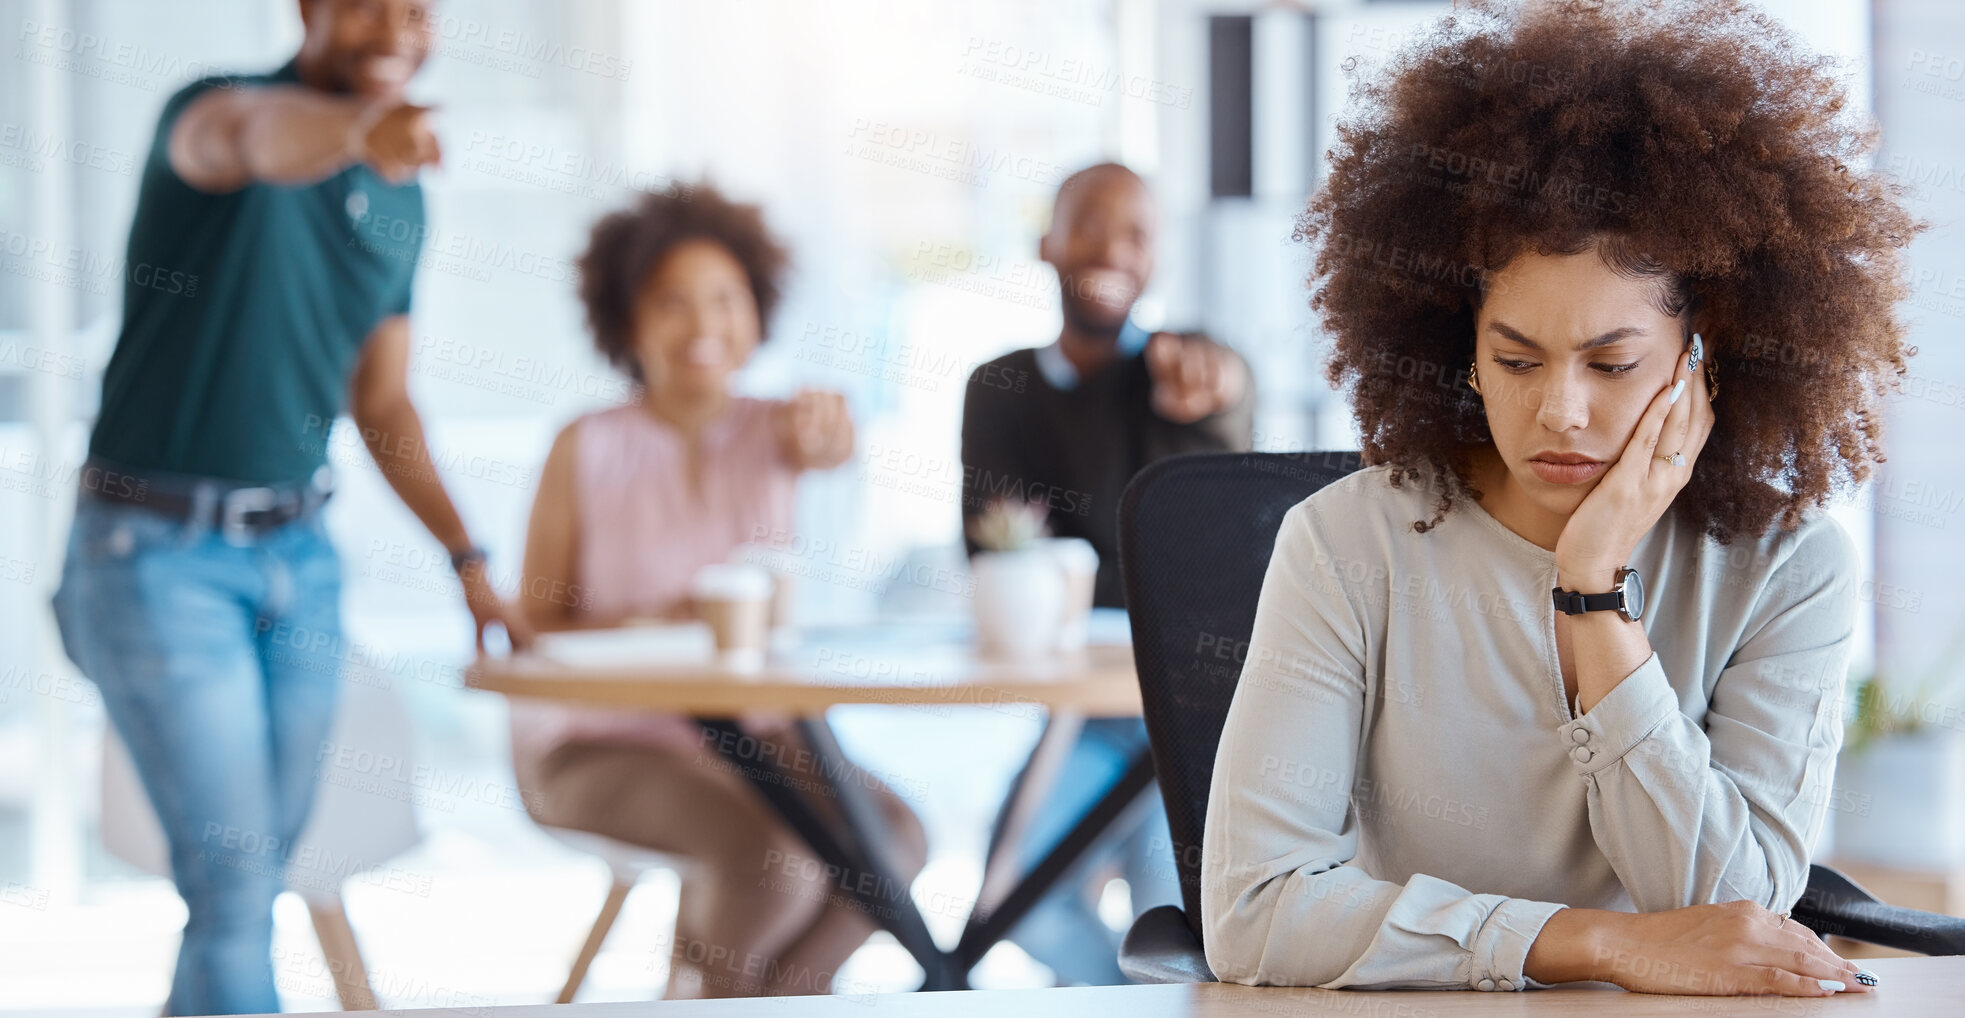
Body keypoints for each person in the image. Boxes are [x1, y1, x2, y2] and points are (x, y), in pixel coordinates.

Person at [1202, 0, 1918, 997]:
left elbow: (1730, 899)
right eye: (1517, 358)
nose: (1561, 411)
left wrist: (1592, 592)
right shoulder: (1346, 542)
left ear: (1702, 359)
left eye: (1613, 363)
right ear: (1464, 350)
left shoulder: (1789, 567)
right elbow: (1254, 910)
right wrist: (1597, 942)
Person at [50, 2, 532, 1014]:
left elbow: (384, 403)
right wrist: (359, 132)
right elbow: (257, 139)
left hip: (301, 556)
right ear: (309, 8)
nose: (398, 26)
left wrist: (468, 558)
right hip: (154, 554)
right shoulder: (216, 114)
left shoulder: (403, 197)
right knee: (233, 888)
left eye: (419, 8)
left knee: (251, 879)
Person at [512, 183, 927, 999]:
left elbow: (827, 443)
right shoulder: (585, 444)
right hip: (599, 742)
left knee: (895, 843)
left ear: (756, 313)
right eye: (672, 302)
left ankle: (754, 1005)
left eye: (723, 300)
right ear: (627, 319)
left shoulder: (775, 430)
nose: (702, 325)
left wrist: (832, 435)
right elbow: (536, 621)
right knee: (774, 865)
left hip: (754, 734)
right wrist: (645, 623)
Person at [960, 162, 1253, 984]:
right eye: (1089, 223)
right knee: (1016, 892)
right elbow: (995, 560)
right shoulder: (1001, 388)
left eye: (1136, 234)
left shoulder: (1186, 370)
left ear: (1156, 259)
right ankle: (1109, 999)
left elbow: (1219, 526)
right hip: (1080, 716)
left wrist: (1214, 391)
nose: (1111, 249)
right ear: (1046, 243)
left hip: (1189, 721)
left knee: (1178, 928)